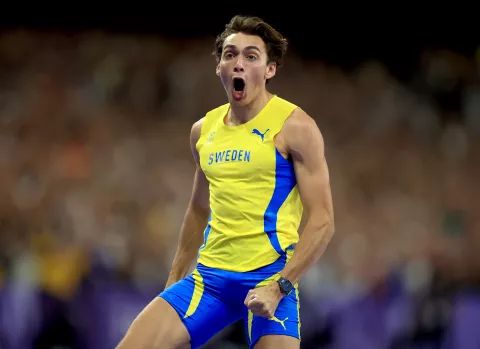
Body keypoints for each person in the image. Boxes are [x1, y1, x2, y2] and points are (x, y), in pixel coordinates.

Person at [116, 15, 335, 349]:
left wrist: (281, 287)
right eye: (230, 54)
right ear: (219, 66)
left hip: (269, 277)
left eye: (251, 56)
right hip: (210, 280)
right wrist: (175, 280)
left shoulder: (296, 127)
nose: (239, 63)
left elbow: (323, 220)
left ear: (269, 69)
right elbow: (198, 208)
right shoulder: (203, 132)